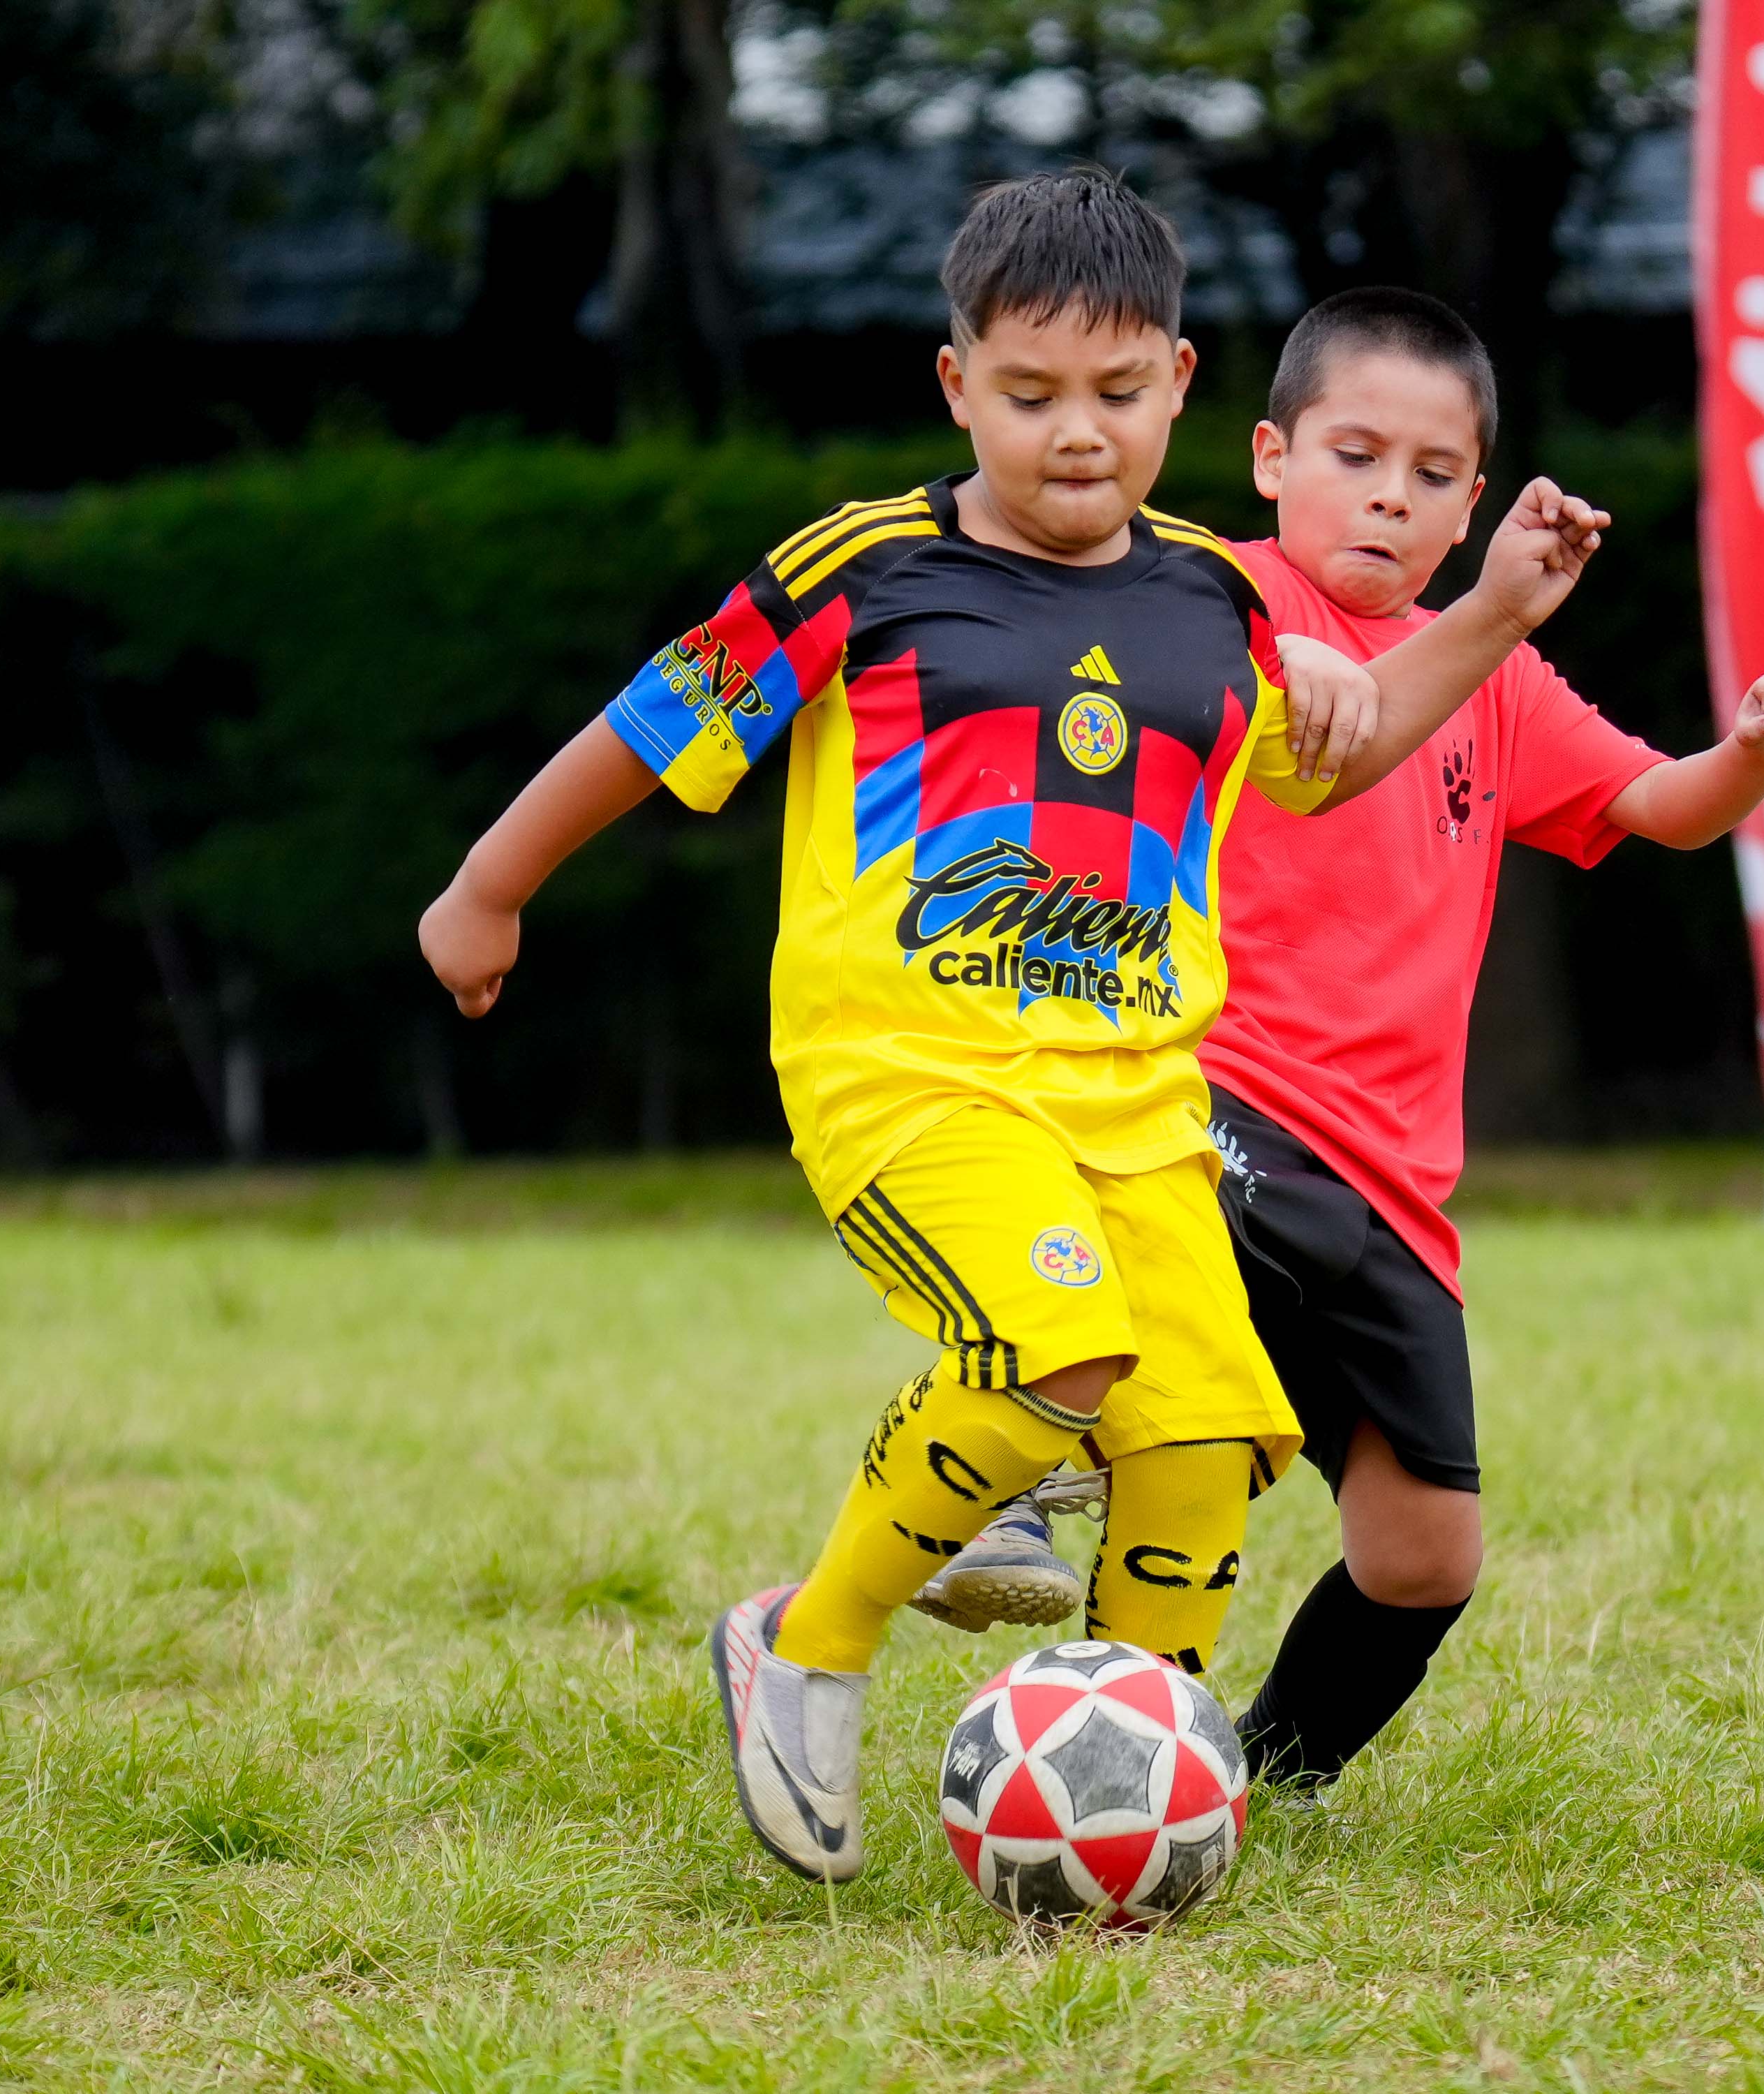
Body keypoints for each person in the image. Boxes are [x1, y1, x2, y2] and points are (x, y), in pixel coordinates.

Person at [416, 181, 1610, 1882]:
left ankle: (1122, 1814)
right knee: (1054, 1356)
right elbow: (652, 719)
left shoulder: (1215, 598)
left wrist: (1483, 613)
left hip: (1138, 1107)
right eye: (1031, 393)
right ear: (956, 383)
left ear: (1180, 388)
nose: (1075, 434)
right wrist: (488, 882)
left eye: (1116, 396)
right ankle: (805, 1645)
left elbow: (1336, 763)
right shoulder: (864, 569)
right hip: (913, 1082)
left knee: (1201, 1447)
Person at [912, 286, 1764, 1796]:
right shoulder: (1202, 600)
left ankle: (1253, 1785)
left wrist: (1756, 750)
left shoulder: (1490, 672)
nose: (1388, 498)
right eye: (1355, 456)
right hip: (1207, 1100)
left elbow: (1661, 809)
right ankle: (1008, 1487)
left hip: (1394, 1186)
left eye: (1429, 476)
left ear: (1472, 501)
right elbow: (1231, 716)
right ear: (1273, 456)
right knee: (1166, 1322)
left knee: (1424, 1558)